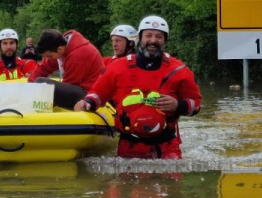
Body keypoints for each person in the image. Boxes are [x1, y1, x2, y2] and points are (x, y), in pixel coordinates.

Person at [74, 15, 201, 159]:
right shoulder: (118, 67)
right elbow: (98, 93)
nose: (153, 40)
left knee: (170, 181)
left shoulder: (180, 71)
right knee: (125, 182)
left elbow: (196, 105)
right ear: (140, 38)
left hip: (167, 147)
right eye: (148, 35)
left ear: (165, 40)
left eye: (159, 36)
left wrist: (178, 105)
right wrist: (87, 102)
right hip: (129, 144)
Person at [28, 28, 105, 109]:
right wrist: (29, 84)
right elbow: (45, 66)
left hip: (90, 94)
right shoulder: (61, 46)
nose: (49, 58)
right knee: (38, 82)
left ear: (59, 50)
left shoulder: (77, 56)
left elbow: (69, 84)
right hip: (78, 88)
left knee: (41, 83)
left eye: (49, 56)